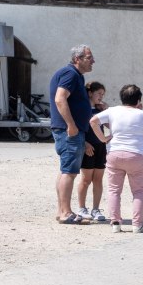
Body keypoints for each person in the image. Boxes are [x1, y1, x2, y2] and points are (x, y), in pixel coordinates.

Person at [90, 84, 143, 232]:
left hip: (115, 152)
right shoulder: (142, 114)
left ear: (122, 98)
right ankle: (137, 224)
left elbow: (93, 121)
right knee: (139, 191)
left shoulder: (112, 110)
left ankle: (115, 223)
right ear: (138, 100)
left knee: (114, 190)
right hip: (136, 154)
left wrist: (103, 138)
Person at [50, 44, 95, 224]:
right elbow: (60, 98)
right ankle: (66, 213)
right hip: (69, 130)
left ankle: (62, 210)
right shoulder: (70, 74)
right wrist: (71, 125)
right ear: (78, 59)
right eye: (89, 57)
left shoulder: (75, 75)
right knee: (69, 172)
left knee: (65, 171)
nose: (93, 61)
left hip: (69, 130)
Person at [76, 80, 109, 222]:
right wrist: (85, 143)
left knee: (98, 179)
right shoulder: (83, 109)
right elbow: (77, 128)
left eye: (103, 94)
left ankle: (96, 209)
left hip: (101, 147)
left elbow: (110, 125)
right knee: (86, 179)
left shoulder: (100, 110)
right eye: (99, 93)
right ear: (90, 93)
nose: (101, 96)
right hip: (87, 147)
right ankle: (82, 208)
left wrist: (107, 110)